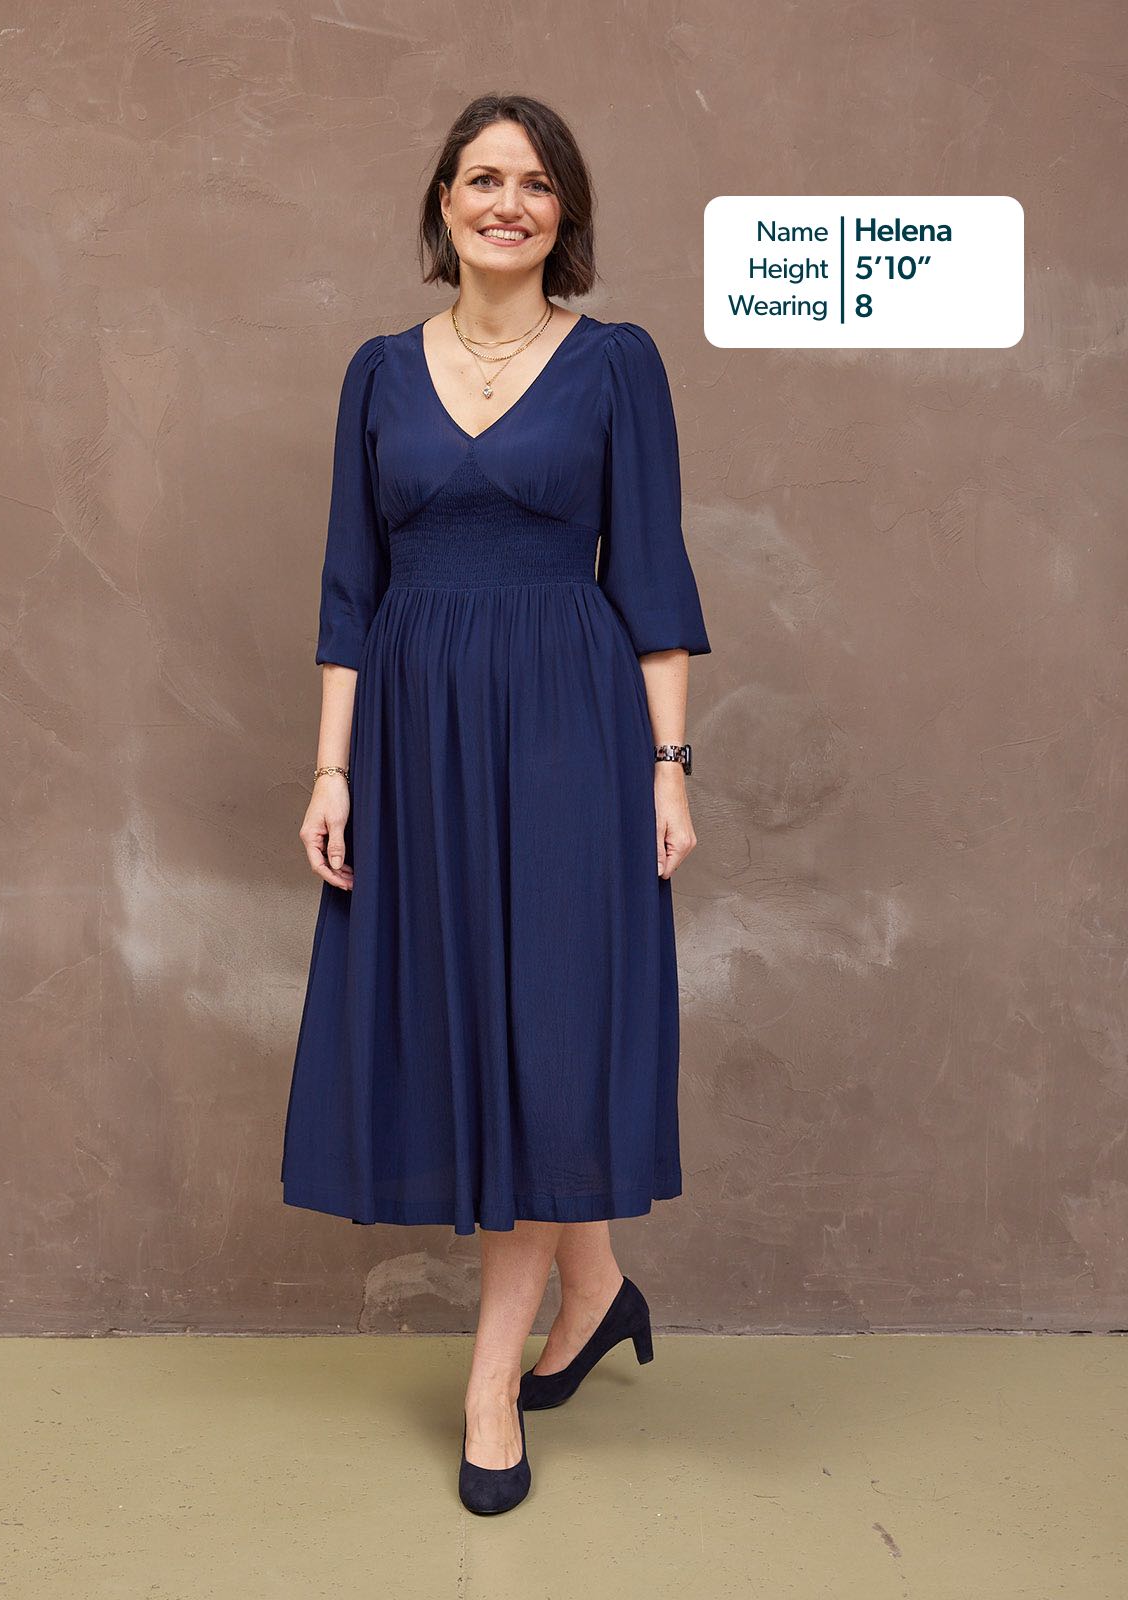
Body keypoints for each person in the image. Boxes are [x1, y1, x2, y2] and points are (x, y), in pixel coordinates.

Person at [280, 93, 711, 1515]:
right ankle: (595, 1285)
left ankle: (489, 1386)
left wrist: (668, 769)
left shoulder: (616, 365)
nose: (507, 203)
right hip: (415, 738)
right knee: (477, 1027)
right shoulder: (376, 374)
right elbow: (349, 589)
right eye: (482, 178)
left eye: (534, 183)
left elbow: (653, 581)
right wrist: (333, 768)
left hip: (570, 730)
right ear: (444, 203)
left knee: (547, 1036)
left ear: (563, 212)